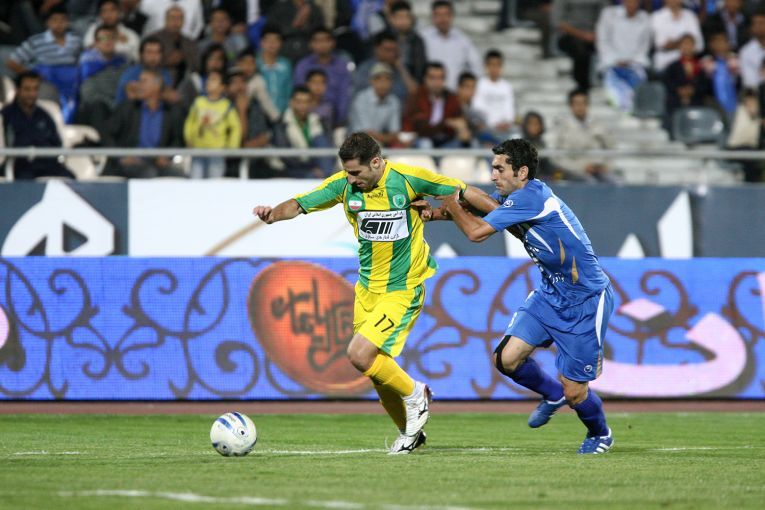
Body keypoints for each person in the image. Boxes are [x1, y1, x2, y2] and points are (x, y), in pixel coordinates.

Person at [252, 132, 497, 454]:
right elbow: (299, 204)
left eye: (356, 172)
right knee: (376, 372)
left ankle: (416, 394)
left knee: (359, 354)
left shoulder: (408, 179)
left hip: (403, 288)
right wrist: (272, 214)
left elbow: (464, 191)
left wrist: (505, 214)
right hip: (367, 290)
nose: (351, 179)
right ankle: (410, 433)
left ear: (377, 162)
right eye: (347, 172)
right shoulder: (343, 186)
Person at [425, 138, 616, 455]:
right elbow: (482, 205)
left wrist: (452, 198)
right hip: (550, 294)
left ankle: (600, 433)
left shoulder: (532, 198)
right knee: (506, 359)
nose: (493, 175)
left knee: (576, 393)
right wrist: (435, 213)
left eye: (500, 169)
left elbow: (476, 232)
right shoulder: (517, 198)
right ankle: (551, 393)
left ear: (522, 171)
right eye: (493, 168)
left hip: (586, 301)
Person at [106, 69, 186, 178]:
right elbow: (108, 135)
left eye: (143, 81)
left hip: (158, 163)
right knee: (149, 173)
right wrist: (121, 157)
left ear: (156, 86)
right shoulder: (128, 108)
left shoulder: (172, 112)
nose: (138, 85)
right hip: (132, 161)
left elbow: (178, 140)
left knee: (181, 176)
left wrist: (167, 156)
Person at [1, 71, 74, 180]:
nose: (31, 94)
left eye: (35, 89)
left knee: (70, 178)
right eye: (27, 89)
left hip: (47, 164)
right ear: (18, 90)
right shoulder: (6, 115)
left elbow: (57, 143)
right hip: (20, 166)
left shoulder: (44, 115)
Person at [183, 70, 242, 178]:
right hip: (198, 150)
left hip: (217, 152)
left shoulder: (226, 106)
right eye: (208, 79)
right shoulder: (198, 102)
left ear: (222, 87)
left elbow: (235, 127)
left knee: (214, 183)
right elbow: (189, 122)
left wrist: (232, 147)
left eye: (213, 80)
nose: (208, 82)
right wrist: (189, 139)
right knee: (196, 181)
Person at [595, 0, 651, 113]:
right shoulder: (609, 14)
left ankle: (633, 110)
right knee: (613, 80)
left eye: (635, 2)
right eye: (629, 1)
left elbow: (644, 45)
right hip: (612, 63)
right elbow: (603, 41)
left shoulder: (645, 18)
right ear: (623, 2)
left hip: (635, 64)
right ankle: (620, 108)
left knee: (639, 77)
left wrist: (632, 61)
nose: (631, 4)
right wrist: (615, 60)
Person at [419, 0, 482, 90]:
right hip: (429, 93)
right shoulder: (423, 38)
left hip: (455, 94)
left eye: (446, 15)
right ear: (433, 17)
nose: (443, 19)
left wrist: (468, 87)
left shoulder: (462, 40)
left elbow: (476, 65)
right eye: (439, 15)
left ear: (452, 16)